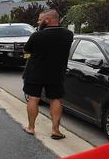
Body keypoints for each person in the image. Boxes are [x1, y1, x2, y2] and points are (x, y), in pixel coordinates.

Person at [22, 10, 74, 140]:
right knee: (56, 100)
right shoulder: (68, 35)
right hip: (56, 73)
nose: (38, 22)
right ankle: (55, 130)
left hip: (35, 72)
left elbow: (27, 50)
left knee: (33, 98)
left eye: (40, 20)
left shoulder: (37, 36)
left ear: (47, 20)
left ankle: (31, 127)